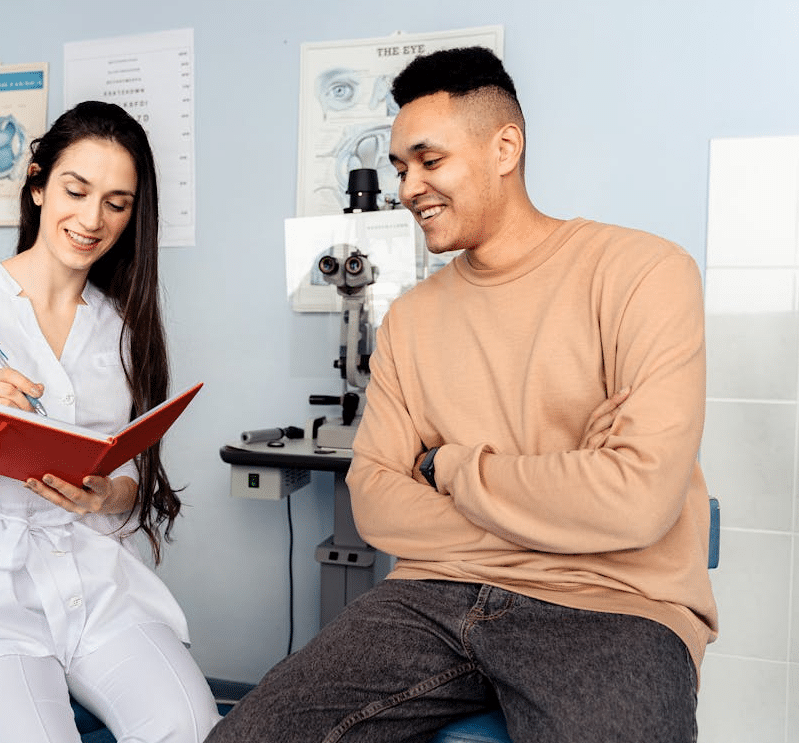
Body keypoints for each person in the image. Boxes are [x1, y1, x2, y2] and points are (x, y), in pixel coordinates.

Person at [207, 47, 717, 743]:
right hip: (429, 598)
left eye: (428, 160)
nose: (408, 186)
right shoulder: (411, 317)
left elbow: (636, 497)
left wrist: (445, 468)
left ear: (504, 146)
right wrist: (568, 516)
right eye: (398, 168)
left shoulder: (642, 272)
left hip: (614, 604)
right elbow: (375, 494)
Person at [0, 100, 220, 743]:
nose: (92, 219)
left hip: (95, 575)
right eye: (76, 190)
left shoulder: (121, 325)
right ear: (37, 182)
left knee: (190, 727)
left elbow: (133, 477)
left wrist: (107, 491)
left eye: (117, 202)